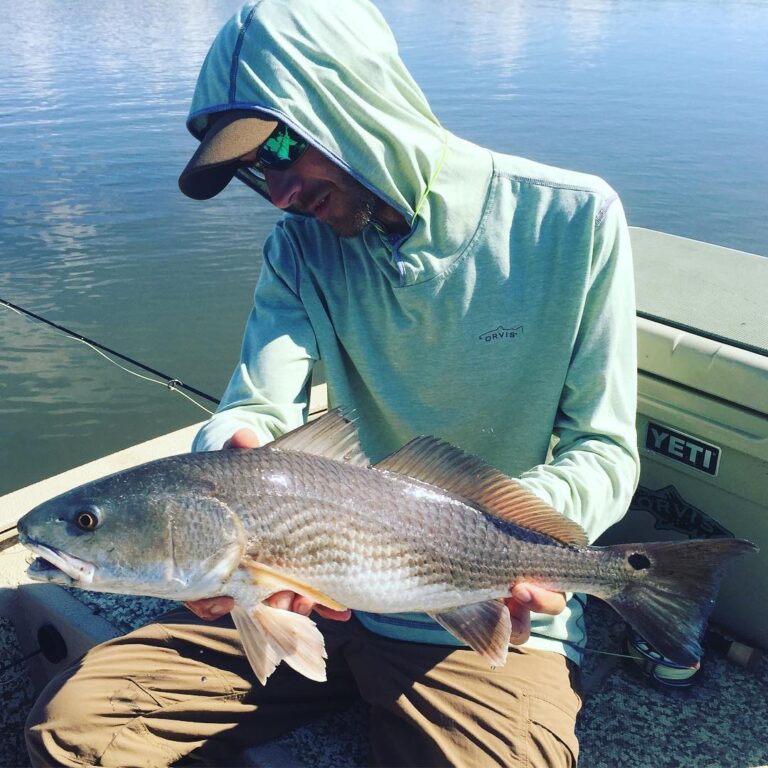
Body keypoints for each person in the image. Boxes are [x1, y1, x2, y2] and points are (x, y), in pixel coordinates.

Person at [25, 0, 639, 765]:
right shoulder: (300, 249)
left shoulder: (571, 219)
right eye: (257, 168)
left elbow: (605, 448)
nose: (280, 192)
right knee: (77, 731)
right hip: (293, 586)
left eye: (280, 147)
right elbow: (254, 404)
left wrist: (511, 539)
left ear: (355, 95)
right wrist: (230, 469)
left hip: (478, 613)